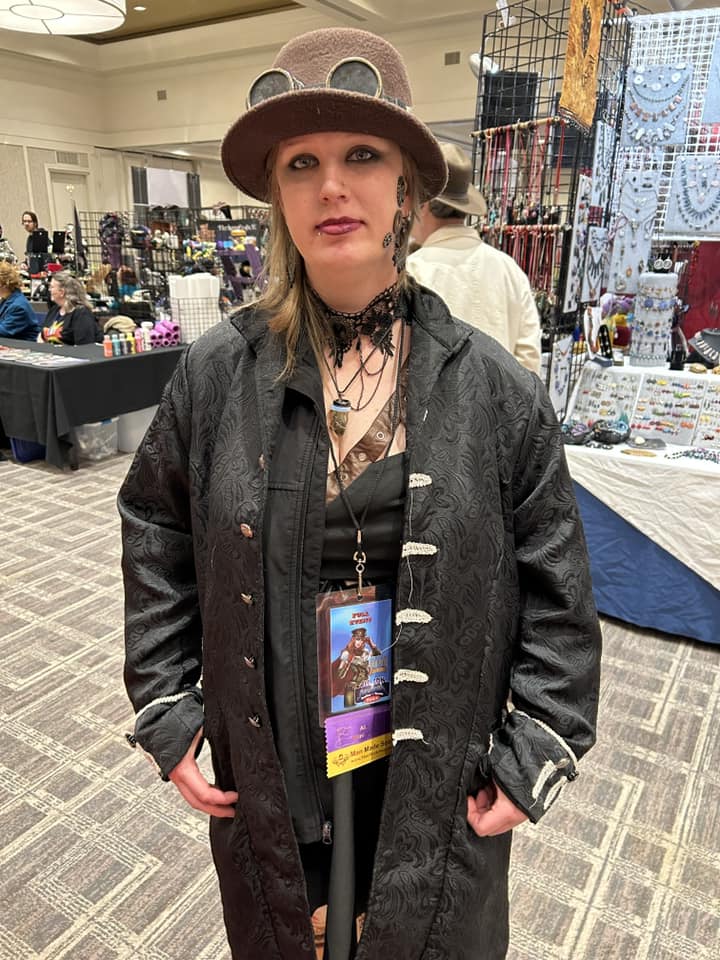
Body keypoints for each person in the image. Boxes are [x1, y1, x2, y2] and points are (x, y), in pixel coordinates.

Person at [119, 27, 601, 960]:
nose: (331, 187)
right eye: (301, 163)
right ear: (277, 195)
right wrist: (167, 703)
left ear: (408, 186)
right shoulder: (217, 374)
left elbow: (559, 584)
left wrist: (541, 736)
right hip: (273, 750)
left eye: (362, 156)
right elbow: (154, 524)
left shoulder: (494, 390)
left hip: (435, 763)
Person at [407, 143, 542, 374]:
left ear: (424, 204)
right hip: (502, 396)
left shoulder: (413, 271)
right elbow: (529, 361)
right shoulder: (509, 270)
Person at [40, 271, 102, 345]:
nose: (49, 290)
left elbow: (84, 346)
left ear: (62, 292)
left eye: (52, 287)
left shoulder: (82, 314)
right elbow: (41, 336)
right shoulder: (54, 310)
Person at [0, 262, 39, 340]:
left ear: (4, 284)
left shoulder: (18, 306)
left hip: (24, 346)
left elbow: (3, 331)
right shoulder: (6, 300)